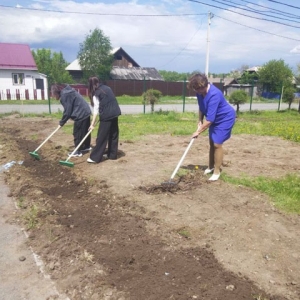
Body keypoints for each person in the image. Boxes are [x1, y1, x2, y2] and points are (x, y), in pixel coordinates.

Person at [188, 73, 236, 181]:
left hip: (225, 119)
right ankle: (210, 167)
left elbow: (210, 120)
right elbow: (201, 107)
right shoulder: (199, 93)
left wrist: (198, 132)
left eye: (198, 89)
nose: (196, 91)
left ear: (204, 86)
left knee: (217, 144)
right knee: (211, 143)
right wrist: (200, 119)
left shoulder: (214, 95)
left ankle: (217, 171)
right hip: (213, 118)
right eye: (195, 89)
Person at [87, 77, 121, 164]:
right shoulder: (107, 88)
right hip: (115, 113)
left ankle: (95, 158)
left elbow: (96, 109)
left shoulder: (96, 93)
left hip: (107, 116)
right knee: (113, 134)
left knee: (101, 137)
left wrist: (92, 124)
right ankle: (112, 155)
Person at [51, 84, 92, 157]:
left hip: (81, 114)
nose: (53, 97)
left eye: (53, 95)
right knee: (85, 131)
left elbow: (67, 111)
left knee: (77, 133)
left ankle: (77, 151)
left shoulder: (64, 96)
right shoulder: (67, 92)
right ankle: (86, 146)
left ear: (56, 93)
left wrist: (61, 123)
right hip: (85, 111)